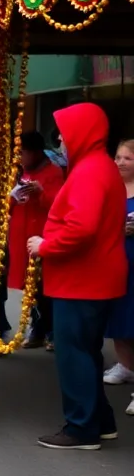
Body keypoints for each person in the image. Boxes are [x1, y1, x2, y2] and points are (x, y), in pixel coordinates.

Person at [28, 103, 126, 450]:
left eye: (64, 134)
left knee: (75, 356)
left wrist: (45, 246)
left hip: (83, 279)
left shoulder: (88, 171)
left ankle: (82, 429)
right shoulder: (98, 167)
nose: (59, 141)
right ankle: (100, 422)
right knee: (87, 353)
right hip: (92, 277)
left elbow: (81, 229)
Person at [7, 131, 64, 350]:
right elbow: (7, 205)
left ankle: (51, 332)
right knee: (29, 286)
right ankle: (38, 328)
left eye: (22, 152)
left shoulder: (54, 172)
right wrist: (12, 197)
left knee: (45, 286)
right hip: (21, 238)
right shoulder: (18, 171)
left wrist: (41, 192)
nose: (19, 157)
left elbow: (59, 205)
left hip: (43, 237)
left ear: (36, 152)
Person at [106, 141, 134, 416]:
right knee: (119, 317)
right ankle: (126, 366)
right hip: (116, 261)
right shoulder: (112, 187)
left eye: (128, 158)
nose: (121, 162)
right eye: (118, 157)